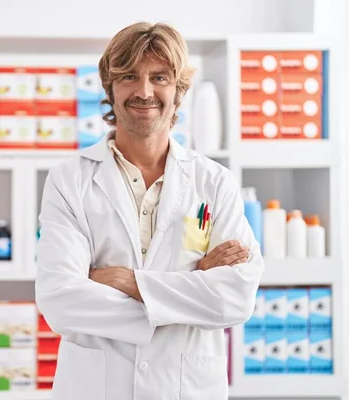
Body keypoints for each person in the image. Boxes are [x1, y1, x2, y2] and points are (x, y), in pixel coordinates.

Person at [35, 21, 265, 400]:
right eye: (129, 76)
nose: (144, 91)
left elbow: (235, 299)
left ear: (178, 90)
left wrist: (130, 282)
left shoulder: (214, 182)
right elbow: (61, 300)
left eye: (159, 77)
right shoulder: (69, 180)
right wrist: (191, 288)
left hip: (186, 389)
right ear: (110, 88)